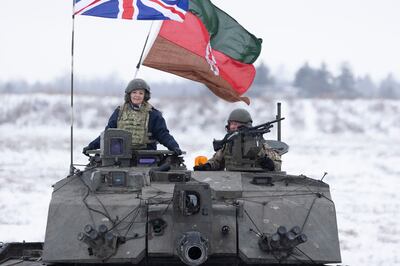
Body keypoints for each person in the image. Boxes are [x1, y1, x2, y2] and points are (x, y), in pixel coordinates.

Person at [83, 78, 182, 155]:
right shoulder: (119, 112)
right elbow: (108, 134)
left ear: (145, 96)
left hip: (147, 156)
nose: (137, 96)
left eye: (141, 93)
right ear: (129, 94)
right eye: (134, 92)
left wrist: (174, 146)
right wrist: (91, 146)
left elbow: (163, 134)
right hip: (121, 155)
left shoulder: (153, 114)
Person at [193, 109, 281, 171]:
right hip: (231, 178)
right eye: (231, 124)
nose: (232, 126)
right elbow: (216, 161)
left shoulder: (258, 142)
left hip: (255, 179)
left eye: (236, 124)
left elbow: (277, 164)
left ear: (245, 126)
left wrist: (271, 164)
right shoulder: (228, 143)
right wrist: (207, 166)